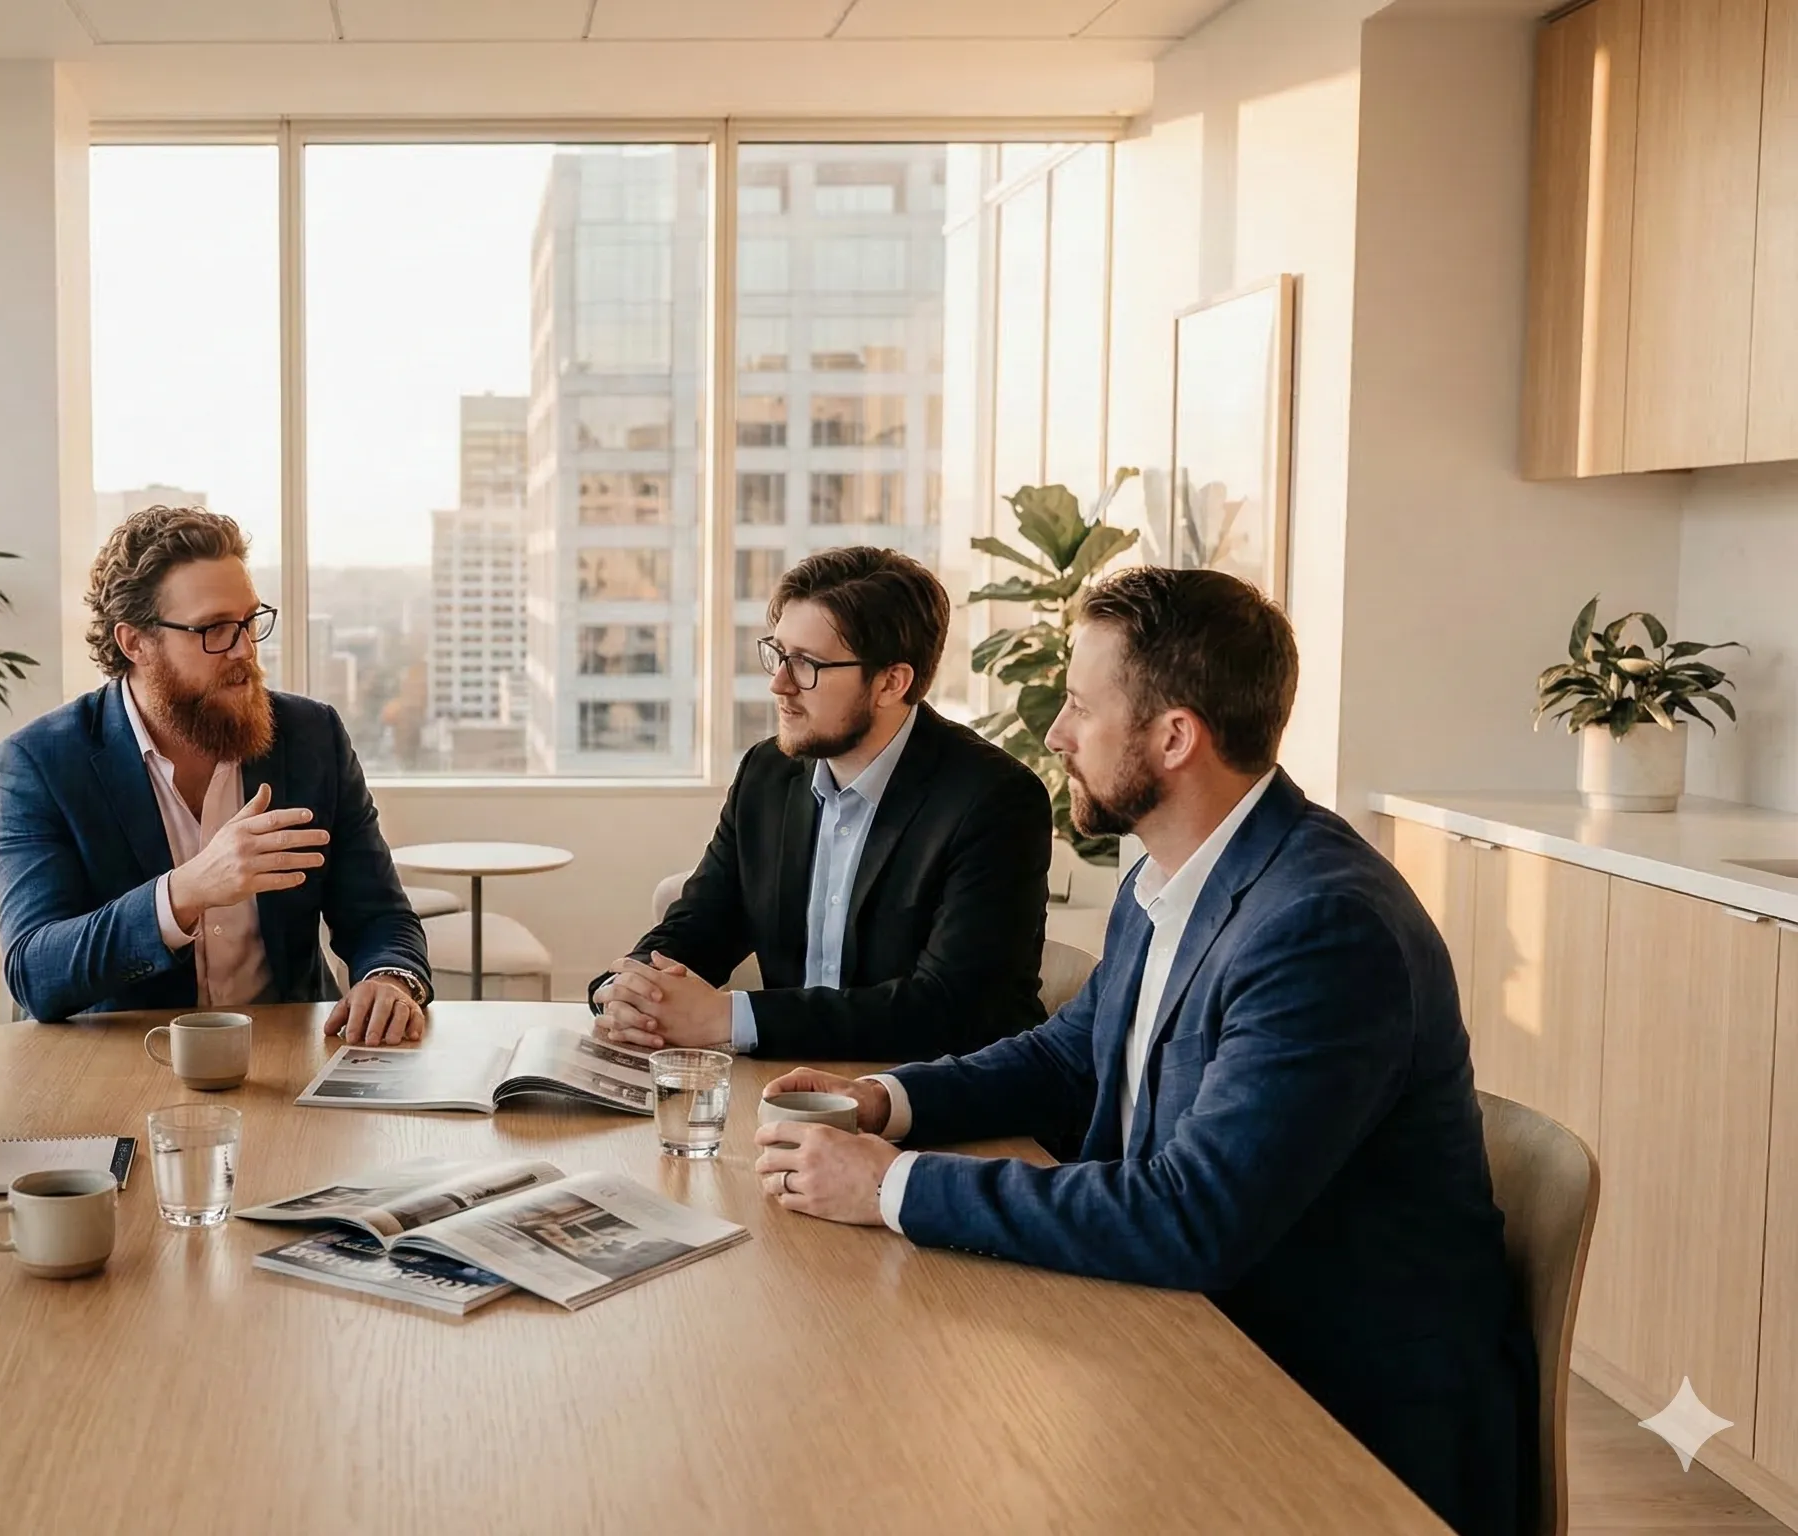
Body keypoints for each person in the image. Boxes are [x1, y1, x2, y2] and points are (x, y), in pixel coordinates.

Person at [754, 566, 1533, 1536]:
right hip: (1176, 1332)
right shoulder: (1166, 872)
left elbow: (1191, 1215)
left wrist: (887, 1187)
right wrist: (882, 1099)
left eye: (1079, 705)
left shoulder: (1324, 927)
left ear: (1173, 737)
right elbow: (1067, 1058)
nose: (1054, 734)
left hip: (1323, 1416)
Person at [587, 546, 1052, 1061]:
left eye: (807, 664)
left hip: (937, 1103)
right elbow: (703, 922)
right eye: (778, 654)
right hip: (787, 1091)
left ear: (891, 682)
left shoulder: (995, 800)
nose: (779, 684)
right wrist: (629, 988)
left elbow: (951, 1008)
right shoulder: (768, 774)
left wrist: (727, 1016)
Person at [0, 505, 432, 1039]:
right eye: (215, 629)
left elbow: (379, 914)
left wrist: (390, 979)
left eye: (249, 621)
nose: (245, 649)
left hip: (290, 1056)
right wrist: (185, 892)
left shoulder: (313, 736)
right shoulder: (40, 763)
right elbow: (34, 972)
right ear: (135, 643)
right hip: (125, 1067)